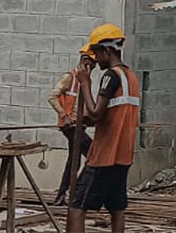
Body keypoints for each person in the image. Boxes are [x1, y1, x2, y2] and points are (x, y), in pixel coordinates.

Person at [67, 23, 140, 233]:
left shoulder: (111, 75)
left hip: (105, 156)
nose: (96, 59)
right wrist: (85, 120)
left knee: (77, 207)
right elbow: (112, 114)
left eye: (97, 54)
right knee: (116, 208)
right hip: (123, 155)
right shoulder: (131, 77)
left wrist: (85, 82)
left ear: (107, 51)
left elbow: (96, 113)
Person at [48, 45, 96, 205]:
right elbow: (52, 97)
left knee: (73, 161)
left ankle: (62, 195)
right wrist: (64, 116)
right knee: (93, 154)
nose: (94, 67)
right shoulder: (70, 77)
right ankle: (76, 192)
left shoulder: (86, 80)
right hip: (70, 127)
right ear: (85, 61)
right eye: (92, 63)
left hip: (79, 126)